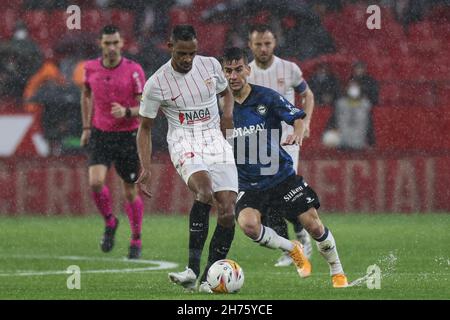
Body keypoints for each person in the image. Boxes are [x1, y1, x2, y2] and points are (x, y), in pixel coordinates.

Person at [222, 47, 348, 288]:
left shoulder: (266, 97)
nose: (233, 76)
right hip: (249, 183)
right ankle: (293, 249)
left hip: (280, 176)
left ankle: (337, 270)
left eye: (238, 70)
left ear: (247, 70)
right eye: (228, 71)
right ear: (222, 73)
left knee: (313, 224)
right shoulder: (220, 106)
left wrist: (298, 133)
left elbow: (297, 117)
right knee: (248, 225)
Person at [137, 25, 237, 293]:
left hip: (216, 141)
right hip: (184, 142)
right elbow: (144, 127)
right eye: (182, 53)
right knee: (204, 192)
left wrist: (227, 117)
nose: (187, 59)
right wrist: (145, 167)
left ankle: (208, 278)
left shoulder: (211, 66)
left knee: (228, 212)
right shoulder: (156, 83)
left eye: (192, 53)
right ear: (170, 47)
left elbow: (226, 92)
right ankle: (192, 269)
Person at [247, 24, 315, 267]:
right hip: (258, 144)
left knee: (284, 193)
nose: (263, 48)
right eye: (258, 44)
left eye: (267, 43)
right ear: (250, 45)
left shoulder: (289, 69)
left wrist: (304, 123)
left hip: (287, 141)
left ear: (274, 43)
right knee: (268, 200)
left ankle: (299, 241)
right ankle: (294, 244)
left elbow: (307, 95)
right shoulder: (246, 74)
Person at [80, 25, 146, 259]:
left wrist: (128, 112)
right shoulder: (90, 68)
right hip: (101, 133)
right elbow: (86, 94)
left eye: (115, 43)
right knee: (95, 182)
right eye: (107, 43)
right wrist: (86, 127)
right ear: (100, 43)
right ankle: (110, 221)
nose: (111, 47)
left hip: (128, 136)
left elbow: (145, 107)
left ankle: (136, 238)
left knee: (130, 192)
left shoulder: (134, 70)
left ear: (121, 43)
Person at [324, 79, 375, 150]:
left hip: (359, 144)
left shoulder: (365, 105)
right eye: (351, 86)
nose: (353, 89)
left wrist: (371, 142)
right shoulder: (340, 104)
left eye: (355, 86)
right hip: (342, 145)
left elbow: (369, 125)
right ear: (347, 88)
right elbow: (332, 122)